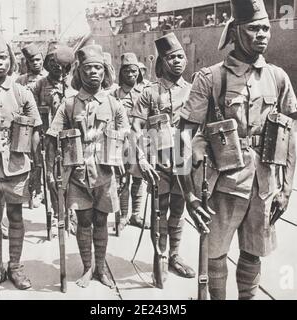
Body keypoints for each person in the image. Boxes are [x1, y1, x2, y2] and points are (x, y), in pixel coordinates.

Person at [176, 0, 297, 300]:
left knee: (254, 252)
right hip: (223, 185)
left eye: (266, 28)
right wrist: (188, 192)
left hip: (264, 184)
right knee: (215, 254)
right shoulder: (211, 77)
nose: (263, 35)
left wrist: (286, 189)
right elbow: (183, 135)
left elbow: (291, 134)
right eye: (254, 28)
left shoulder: (278, 78)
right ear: (236, 31)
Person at [46, 44, 129, 289]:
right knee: (84, 222)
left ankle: (101, 269)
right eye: (88, 68)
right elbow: (52, 137)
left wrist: (128, 167)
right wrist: (52, 172)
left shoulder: (114, 104)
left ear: (105, 72)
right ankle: (87, 268)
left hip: (105, 174)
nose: (94, 72)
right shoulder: (69, 104)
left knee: (102, 222)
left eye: (98, 68)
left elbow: (128, 137)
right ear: (79, 71)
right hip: (78, 175)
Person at [0, 31, 42, 294]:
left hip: (17, 167)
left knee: (16, 217)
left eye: (3, 57)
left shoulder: (21, 91)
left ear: (11, 59)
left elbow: (36, 129)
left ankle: (14, 266)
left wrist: (37, 165)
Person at [131, 32, 196, 279]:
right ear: (162, 61)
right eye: (171, 57)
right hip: (158, 162)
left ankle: (175, 256)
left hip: (184, 162)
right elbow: (136, 128)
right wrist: (142, 158)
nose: (177, 61)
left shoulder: (192, 91)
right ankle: (161, 255)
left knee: (178, 209)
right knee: (159, 210)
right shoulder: (149, 93)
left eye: (180, 56)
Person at [30, 44, 75, 211]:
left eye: (60, 62)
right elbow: (32, 112)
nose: (56, 65)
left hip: (70, 138)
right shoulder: (39, 85)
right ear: (47, 64)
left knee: (71, 176)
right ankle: (57, 213)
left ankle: (71, 212)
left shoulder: (74, 83)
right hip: (48, 137)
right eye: (52, 61)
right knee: (51, 177)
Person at [111, 52, 148, 230]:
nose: (131, 74)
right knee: (123, 178)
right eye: (127, 71)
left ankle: (136, 215)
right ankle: (124, 215)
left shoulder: (145, 92)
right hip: (122, 142)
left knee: (139, 178)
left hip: (140, 141)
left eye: (134, 71)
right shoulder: (115, 94)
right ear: (121, 73)